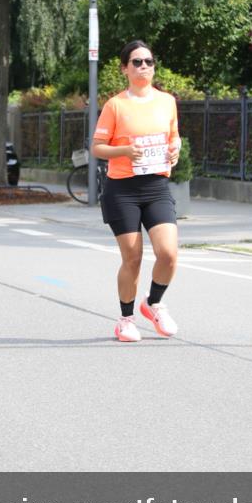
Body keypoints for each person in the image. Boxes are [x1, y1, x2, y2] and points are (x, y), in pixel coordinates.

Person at [92, 40, 181, 342]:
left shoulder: (167, 101)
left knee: (168, 254)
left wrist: (175, 151)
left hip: (156, 186)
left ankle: (153, 303)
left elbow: (173, 137)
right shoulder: (116, 105)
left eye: (149, 61)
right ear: (125, 68)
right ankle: (125, 319)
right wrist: (125, 151)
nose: (144, 66)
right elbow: (97, 148)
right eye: (137, 62)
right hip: (123, 190)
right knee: (133, 258)